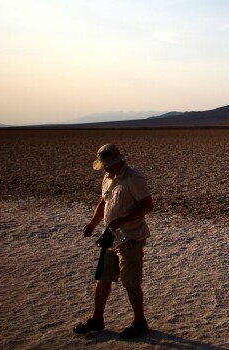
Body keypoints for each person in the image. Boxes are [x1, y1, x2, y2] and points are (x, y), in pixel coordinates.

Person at [73, 144, 154, 339]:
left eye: (109, 164)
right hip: (110, 237)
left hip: (131, 238)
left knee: (131, 282)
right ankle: (97, 319)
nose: (107, 168)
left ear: (119, 160)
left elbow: (147, 206)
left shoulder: (134, 178)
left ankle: (139, 322)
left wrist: (124, 221)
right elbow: (103, 203)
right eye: (104, 165)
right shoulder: (107, 179)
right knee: (103, 279)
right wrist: (93, 225)